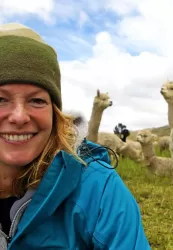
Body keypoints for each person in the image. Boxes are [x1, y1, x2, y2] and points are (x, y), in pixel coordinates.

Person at [0, 23, 151, 249]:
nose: (19, 117)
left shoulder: (99, 190)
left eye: (37, 100)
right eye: (1, 99)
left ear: (55, 112)